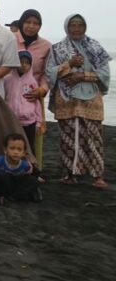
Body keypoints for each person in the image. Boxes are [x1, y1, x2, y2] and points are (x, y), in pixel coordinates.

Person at [45, 14, 110, 189]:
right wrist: (69, 64)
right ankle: (70, 174)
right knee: (68, 137)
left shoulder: (95, 47)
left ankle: (97, 176)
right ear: (67, 27)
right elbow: (49, 73)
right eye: (73, 25)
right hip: (67, 99)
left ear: (85, 27)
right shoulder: (58, 48)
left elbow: (104, 74)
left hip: (91, 99)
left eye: (80, 25)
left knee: (93, 136)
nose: (76, 28)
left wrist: (82, 76)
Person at [12, 9, 51, 165]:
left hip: (33, 94)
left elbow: (47, 73)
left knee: (35, 132)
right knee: (10, 130)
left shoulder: (46, 45)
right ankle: (11, 164)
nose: (31, 26)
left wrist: (42, 89)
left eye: (36, 23)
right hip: (11, 91)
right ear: (22, 23)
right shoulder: (10, 39)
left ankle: (35, 167)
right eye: (28, 22)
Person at [0, 133, 41, 204]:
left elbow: (31, 176)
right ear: (5, 150)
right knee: (1, 175)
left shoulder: (25, 165)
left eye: (19, 149)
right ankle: (14, 197)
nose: (16, 152)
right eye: (12, 148)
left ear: (23, 153)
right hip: (2, 186)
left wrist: (35, 178)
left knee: (33, 180)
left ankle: (11, 198)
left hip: (15, 186)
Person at [4, 51, 44, 150]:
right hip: (12, 121)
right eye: (21, 62)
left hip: (29, 122)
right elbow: (3, 97)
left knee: (29, 147)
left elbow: (37, 102)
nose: (24, 65)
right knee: (12, 146)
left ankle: (31, 165)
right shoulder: (7, 80)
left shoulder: (32, 82)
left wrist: (39, 121)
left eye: (27, 63)